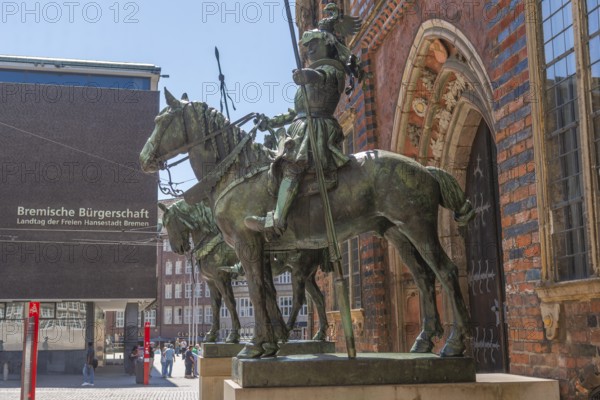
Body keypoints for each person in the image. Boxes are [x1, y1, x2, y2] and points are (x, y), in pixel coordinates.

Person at [245, 27, 356, 239]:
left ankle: (277, 219)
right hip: (302, 125)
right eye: (307, 46)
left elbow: (321, 77)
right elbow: (294, 111)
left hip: (317, 127)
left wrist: (308, 75)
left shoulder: (333, 70)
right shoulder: (312, 76)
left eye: (314, 43)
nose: (310, 49)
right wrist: (270, 121)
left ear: (328, 45)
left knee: (293, 166)